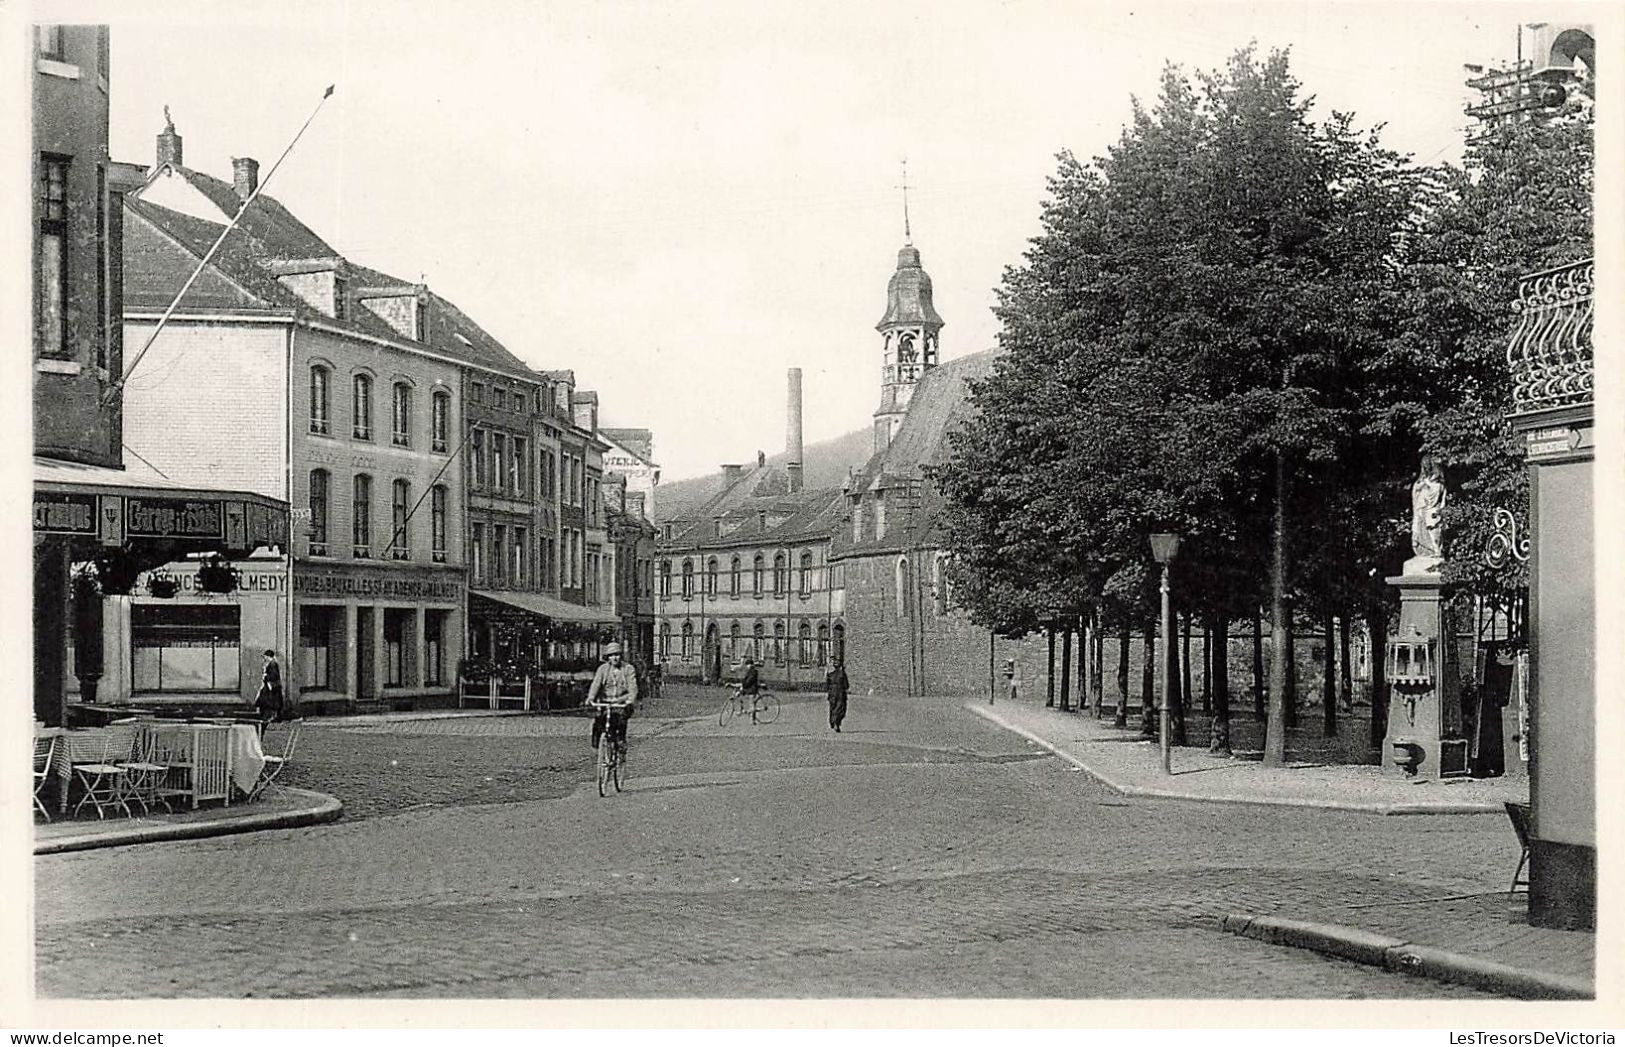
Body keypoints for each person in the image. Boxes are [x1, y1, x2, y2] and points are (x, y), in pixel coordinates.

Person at [588, 642, 638, 752]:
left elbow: (633, 688)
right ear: (608, 657)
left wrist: (629, 700)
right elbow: (596, 684)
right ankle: (598, 746)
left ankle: (621, 741)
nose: (614, 658)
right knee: (599, 721)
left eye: (617, 655)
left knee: (620, 721)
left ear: (621, 656)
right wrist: (591, 698)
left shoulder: (628, 669)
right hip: (606, 702)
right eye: (611, 655)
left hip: (622, 702)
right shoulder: (603, 669)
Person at [254, 649, 284, 736]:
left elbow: (274, 676)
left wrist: (266, 676)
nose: (265, 658)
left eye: (265, 656)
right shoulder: (272, 664)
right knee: (271, 701)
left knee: (270, 701)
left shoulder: (272, 664)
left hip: (272, 687)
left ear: (269, 656)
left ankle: (269, 716)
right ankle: (270, 715)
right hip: (272, 686)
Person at [825, 657, 849, 732]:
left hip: (832, 693)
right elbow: (846, 685)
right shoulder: (842, 675)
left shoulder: (830, 675)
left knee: (832, 708)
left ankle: (832, 722)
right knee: (840, 708)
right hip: (840, 693)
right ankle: (836, 723)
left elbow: (827, 685)